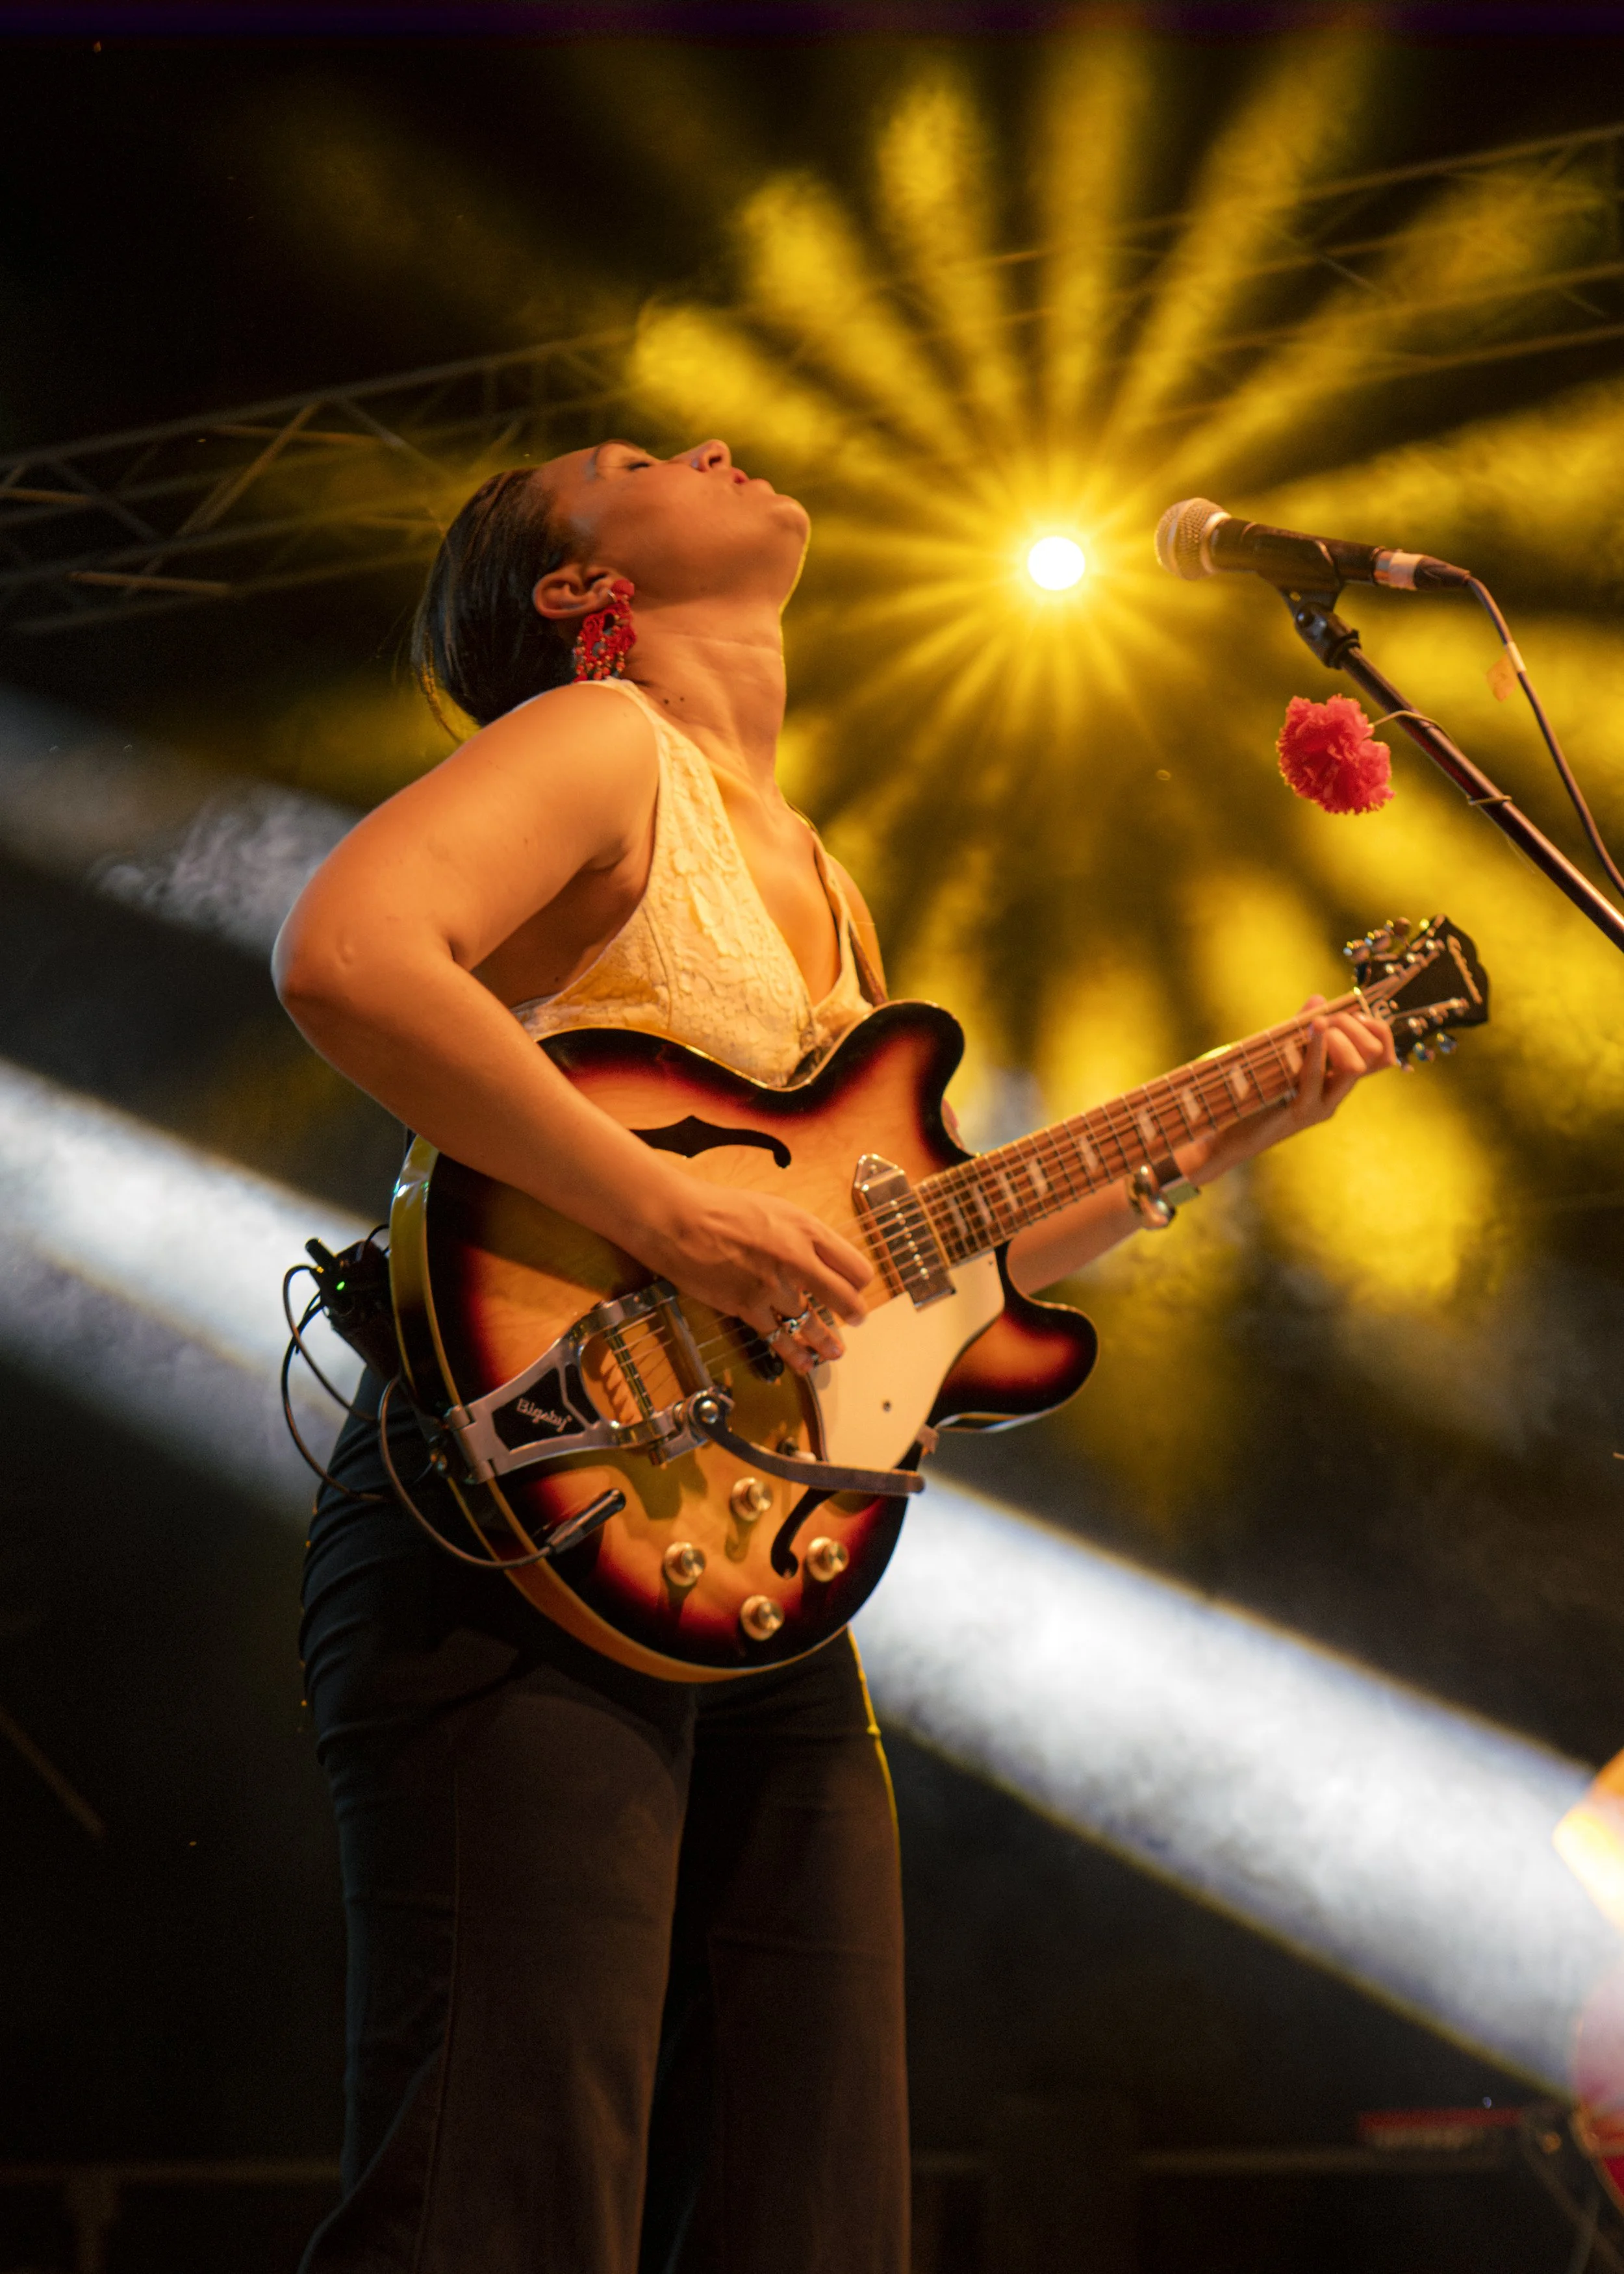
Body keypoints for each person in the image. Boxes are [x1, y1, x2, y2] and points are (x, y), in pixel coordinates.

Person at [273, 436, 1395, 2274]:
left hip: (744, 1565)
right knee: (499, 2198)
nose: (709, 444)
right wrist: (665, 1207)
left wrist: (1225, 1124)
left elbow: (928, 1273)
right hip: (513, 1530)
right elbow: (344, 952)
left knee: (816, 2211)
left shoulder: (813, 868)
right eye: (634, 460)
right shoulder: (594, 740)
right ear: (580, 594)